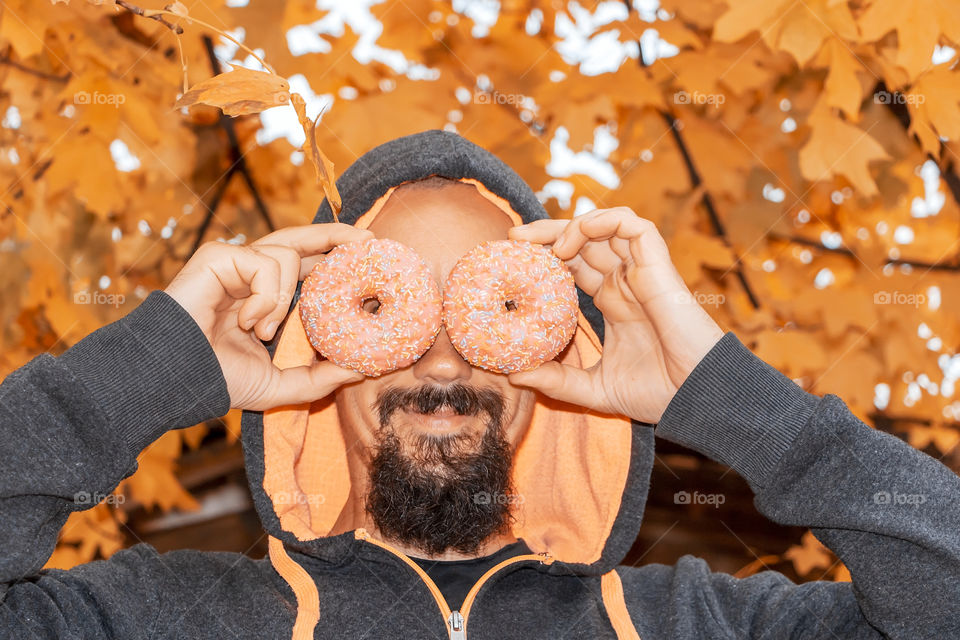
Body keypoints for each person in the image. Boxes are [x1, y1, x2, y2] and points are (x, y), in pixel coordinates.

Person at [0, 130, 957, 640]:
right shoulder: (160, 619)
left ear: (562, 364)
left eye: (485, 317)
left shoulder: (702, 623)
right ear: (309, 350)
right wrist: (139, 375)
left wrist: (728, 396)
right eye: (397, 315)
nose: (446, 362)